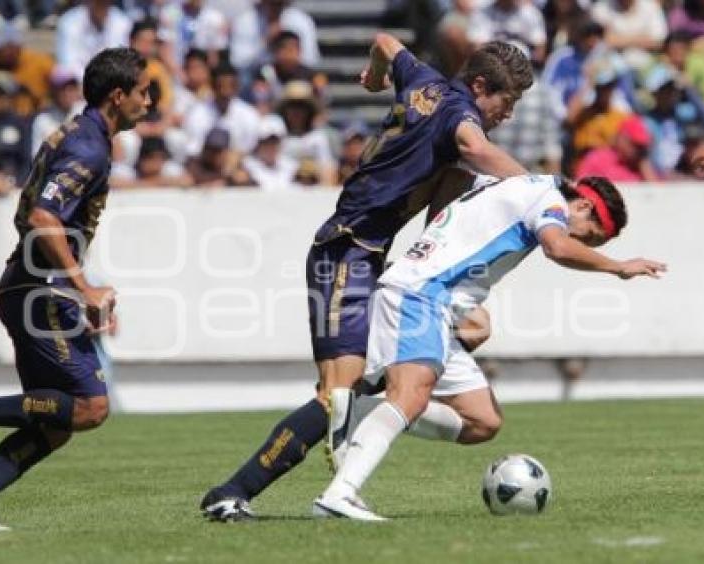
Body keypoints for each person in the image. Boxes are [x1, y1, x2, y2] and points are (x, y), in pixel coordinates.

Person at [200, 32, 534, 521]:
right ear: (482, 85)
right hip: (345, 250)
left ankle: (328, 464)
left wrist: (377, 75)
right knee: (336, 393)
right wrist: (543, 190)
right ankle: (237, 492)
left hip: (368, 257)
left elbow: (383, 41)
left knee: (351, 394)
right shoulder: (460, 118)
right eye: (508, 100)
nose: (510, 112)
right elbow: (473, 145)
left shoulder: (422, 79)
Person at [312, 175, 665, 520]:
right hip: (421, 294)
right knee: (411, 396)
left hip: (438, 304)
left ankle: (359, 412)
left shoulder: (521, 184)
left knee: (482, 421)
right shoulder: (550, 199)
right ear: (584, 204)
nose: (580, 241)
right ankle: (340, 494)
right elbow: (557, 247)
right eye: (589, 235)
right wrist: (618, 267)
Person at [0, 47, 151, 531]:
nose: (150, 101)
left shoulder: (80, 132)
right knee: (91, 409)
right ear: (118, 96)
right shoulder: (89, 148)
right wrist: (83, 288)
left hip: (28, 286)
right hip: (38, 290)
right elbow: (42, 216)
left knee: (54, 424)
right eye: (143, 91)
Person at [575, 115, 658, 181]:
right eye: (635, 145)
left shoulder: (642, 166)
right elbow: (580, 187)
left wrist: (644, 166)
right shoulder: (596, 158)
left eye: (641, 147)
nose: (638, 150)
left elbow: (658, 195)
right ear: (622, 138)